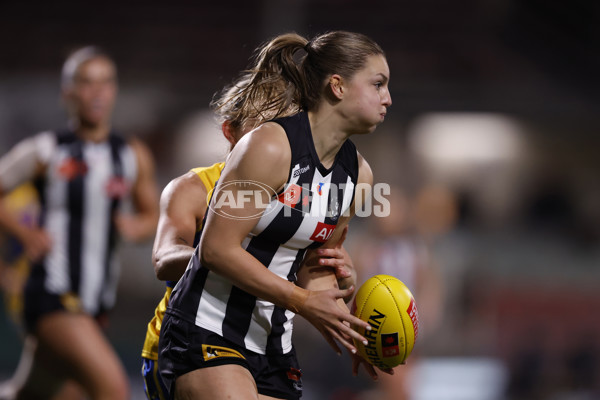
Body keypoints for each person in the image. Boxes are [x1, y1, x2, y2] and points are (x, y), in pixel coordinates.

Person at [158, 30, 393, 399]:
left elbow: (313, 271)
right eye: (378, 84)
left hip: (273, 346)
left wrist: (350, 324)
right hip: (205, 328)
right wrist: (302, 301)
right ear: (338, 86)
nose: (388, 98)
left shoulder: (359, 176)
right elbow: (215, 249)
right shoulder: (269, 145)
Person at [141, 74, 356, 400]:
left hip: (267, 344)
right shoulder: (194, 188)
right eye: (263, 128)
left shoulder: (301, 198)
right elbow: (164, 260)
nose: (276, 140)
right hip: (192, 336)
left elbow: (305, 275)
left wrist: (334, 276)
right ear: (231, 132)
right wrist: (228, 252)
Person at [0, 46, 160, 400]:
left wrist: (137, 227)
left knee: (44, 393)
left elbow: (151, 214)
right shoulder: (46, 151)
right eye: (86, 83)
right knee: (112, 389)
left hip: (94, 303)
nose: (97, 92)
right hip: (52, 294)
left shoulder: (131, 154)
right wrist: (25, 233)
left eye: (105, 82)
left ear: (115, 90)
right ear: (68, 92)